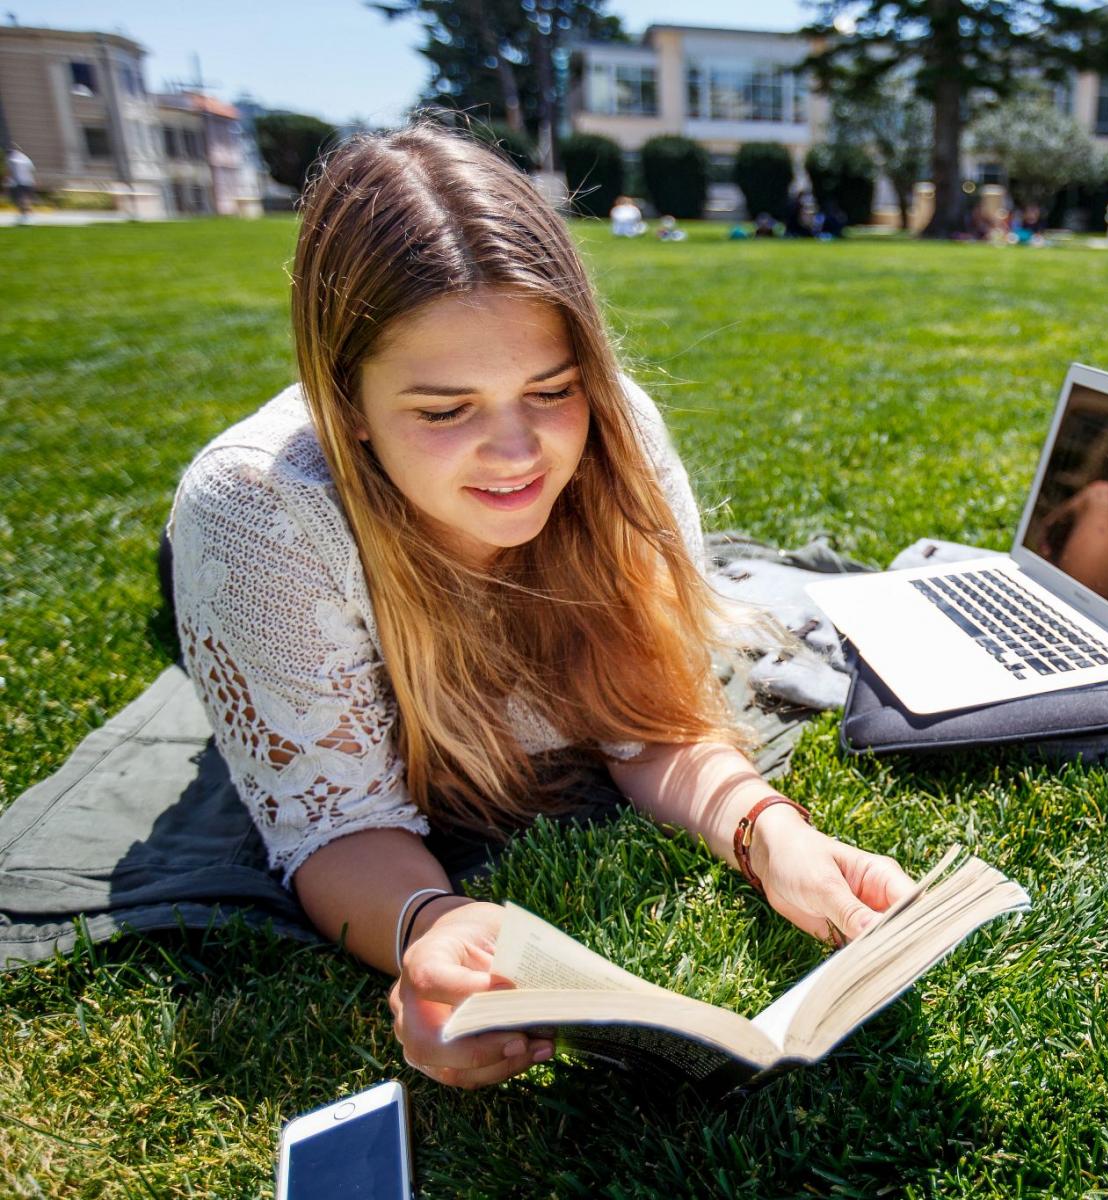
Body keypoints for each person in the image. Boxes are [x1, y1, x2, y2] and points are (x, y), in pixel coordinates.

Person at [165, 122, 913, 1091]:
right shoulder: (259, 517)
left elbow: (644, 718)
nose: (520, 454)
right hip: (248, 568)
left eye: (551, 389)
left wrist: (769, 832)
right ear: (343, 402)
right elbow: (336, 822)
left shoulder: (619, 435)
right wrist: (428, 927)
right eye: (444, 410)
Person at [6, 144, 35, 224]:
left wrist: (9, 181)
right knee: (26, 200)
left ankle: (24, 217)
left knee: (20, 200)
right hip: (28, 181)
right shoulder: (26, 158)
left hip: (18, 182)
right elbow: (32, 170)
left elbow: (11, 171)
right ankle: (26, 216)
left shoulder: (11, 158)